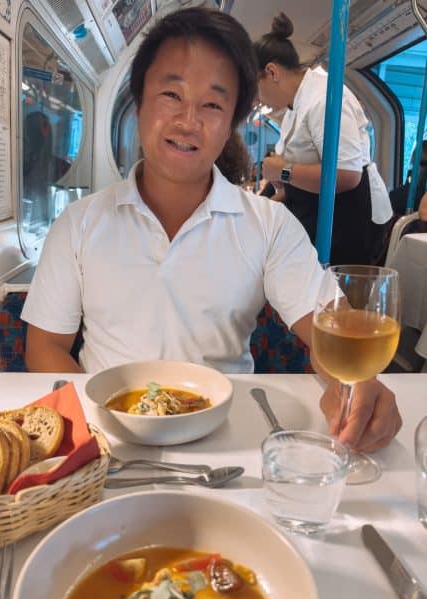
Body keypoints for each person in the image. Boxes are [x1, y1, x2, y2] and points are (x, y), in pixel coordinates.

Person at [22, 7, 401, 453]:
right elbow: (44, 345)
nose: (188, 121)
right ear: (139, 102)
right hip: (109, 442)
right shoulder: (78, 223)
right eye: (170, 95)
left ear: (229, 128)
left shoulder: (268, 225)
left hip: (230, 443)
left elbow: (325, 331)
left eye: (212, 104)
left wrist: (353, 386)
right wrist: (99, 427)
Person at [254, 13, 393, 265]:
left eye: (255, 89)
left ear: (272, 72)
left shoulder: (322, 99)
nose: (258, 100)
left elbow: (348, 174)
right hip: (319, 212)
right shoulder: (295, 106)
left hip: (349, 218)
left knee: (337, 297)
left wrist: (283, 171)